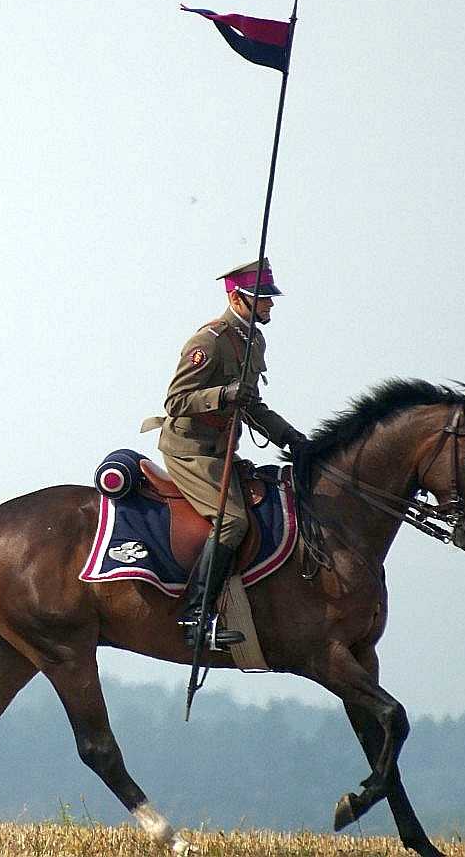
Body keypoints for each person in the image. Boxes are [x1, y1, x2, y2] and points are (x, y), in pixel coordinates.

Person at [146, 257, 306, 650]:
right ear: (237, 299)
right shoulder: (209, 342)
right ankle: (196, 616)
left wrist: (292, 439)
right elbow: (176, 401)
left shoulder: (254, 341)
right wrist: (224, 394)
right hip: (190, 450)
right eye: (262, 297)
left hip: (221, 449)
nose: (271, 303)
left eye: (269, 296)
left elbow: (251, 404)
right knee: (232, 521)